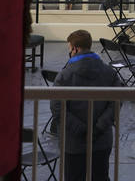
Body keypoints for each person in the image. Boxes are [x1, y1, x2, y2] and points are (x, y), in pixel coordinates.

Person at [50, 30, 123, 181]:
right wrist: (98, 128)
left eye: (69, 48)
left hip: (73, 143)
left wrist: (82, 131)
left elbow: (57, 109)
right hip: (102, 141)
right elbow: (116, 102)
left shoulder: (64, 76)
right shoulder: (110, 73)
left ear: (75, 49)